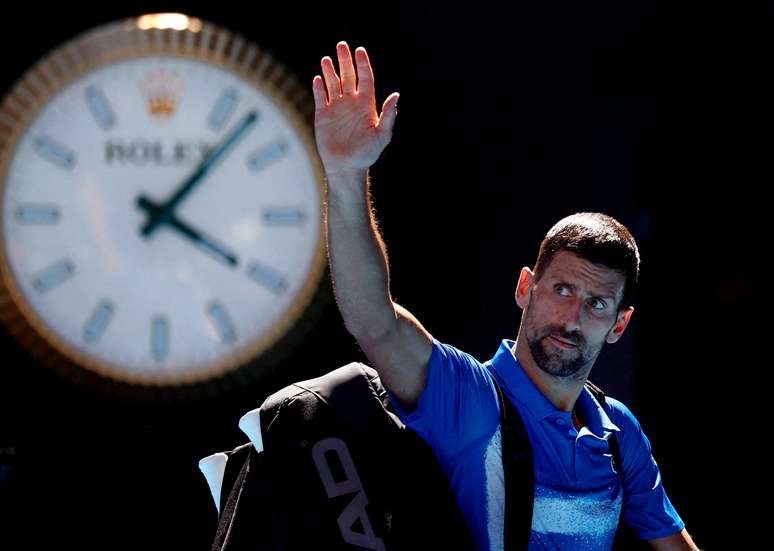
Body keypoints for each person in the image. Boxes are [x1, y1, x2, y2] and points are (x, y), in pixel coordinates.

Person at [312, 41, 700, 551]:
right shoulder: (467, 397)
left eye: (596, 304)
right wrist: (346, 176)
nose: (571, 317)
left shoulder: (619, 433)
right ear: (525, 288)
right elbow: (374, 321)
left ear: (619, 325)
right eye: (562, 289)